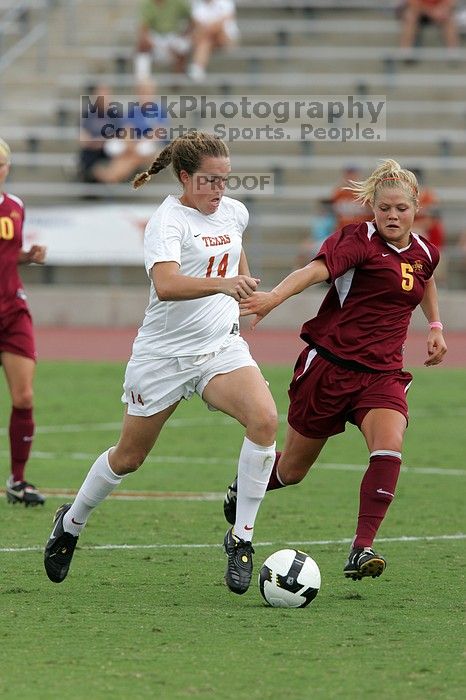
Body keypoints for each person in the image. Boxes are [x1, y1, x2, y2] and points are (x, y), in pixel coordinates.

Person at [44, 131, 278, 595]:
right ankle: (70, 522)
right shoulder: (166, 222)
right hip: (163, 356)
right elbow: (168, 284)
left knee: (266, 420)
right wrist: (224, 284)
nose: (219, 191)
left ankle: (241, 539)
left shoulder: (232, 212)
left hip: (218, 348)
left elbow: (232, 250)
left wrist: (245, 289)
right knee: (129, 458)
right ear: (186, 178)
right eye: (209, 182)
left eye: (224, 181)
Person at [222, 159, 448, 581]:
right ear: (373, 209)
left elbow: (425, 277)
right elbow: (313, 272)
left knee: (389, 448)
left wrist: (434, 326)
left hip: (382, 375)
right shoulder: (356, 241)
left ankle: (361, 549)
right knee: (291, 472)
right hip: (329, 368)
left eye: (401, 208)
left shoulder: (423, 251)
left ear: (416, 208)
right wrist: (273, 299)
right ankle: (246, 483)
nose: (392, 216)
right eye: (384, 209)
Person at [0, 137, 47, 507]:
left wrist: (27, 256)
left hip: (12, 309)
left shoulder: (15, 207)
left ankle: (17, 480)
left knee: (25, 396)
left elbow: (7, 256)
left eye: (1, 164)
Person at [134, 0, 193, 80]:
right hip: (156, 38)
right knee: (142, 45)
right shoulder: (147, 4)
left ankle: (178, 78)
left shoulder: (178, 2)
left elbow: (192, 19)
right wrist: (159, 47)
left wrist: (184, 35)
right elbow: (143, 29)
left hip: (173, 37)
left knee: (184, 46)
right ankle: (143, 80)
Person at [188, 0, 240, 83]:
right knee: (206, 41)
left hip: (225, 38)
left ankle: (197, 66)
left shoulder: (226, 2)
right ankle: (198, 67)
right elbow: (197, 24)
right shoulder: (196, 4)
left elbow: (224, 21)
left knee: (208, 35)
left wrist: (207, 29)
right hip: (208, 38)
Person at [330, 165, 372, 230]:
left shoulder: (365, 193)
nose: (350, 177)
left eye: (353, 174)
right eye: (348, 174)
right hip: (343, 230)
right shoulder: (338, 193)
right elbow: (334, 214)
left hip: (361, 231)